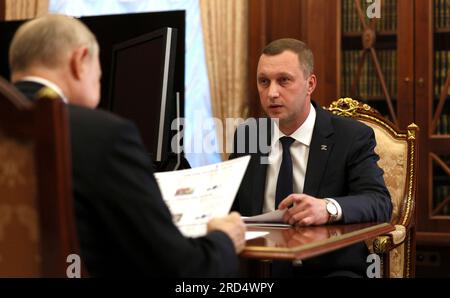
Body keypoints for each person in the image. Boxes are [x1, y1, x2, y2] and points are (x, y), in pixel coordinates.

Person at [9, 14, 246, 277]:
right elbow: (180, 268)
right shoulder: (104, 135)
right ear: (80, 61)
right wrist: (223, 239)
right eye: (99, 74)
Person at [229, 38, 392, 277]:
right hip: (258, 269)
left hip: (329, 270)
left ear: (310, 83)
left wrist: (327, 208)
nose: (272, 93)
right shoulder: (248, 135)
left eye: (284, 80)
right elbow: (231, 209)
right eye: (264, 82)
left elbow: (379, 201)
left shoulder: (350, 136)